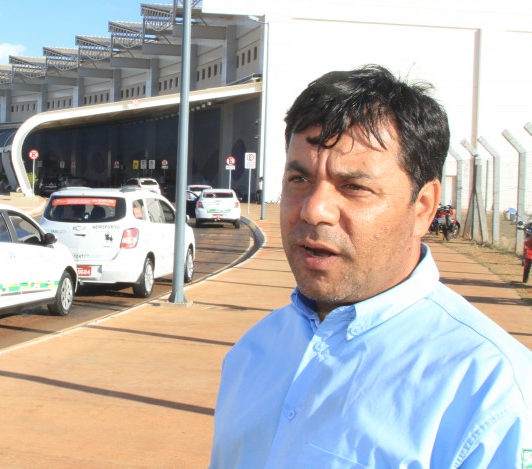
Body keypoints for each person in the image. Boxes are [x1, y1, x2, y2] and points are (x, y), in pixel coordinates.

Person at [209, 65, 532, 467]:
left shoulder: (490, 394)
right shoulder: (253, 353)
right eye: (299, 179)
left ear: (424, 207)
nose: (315, 210)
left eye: (354, 187)